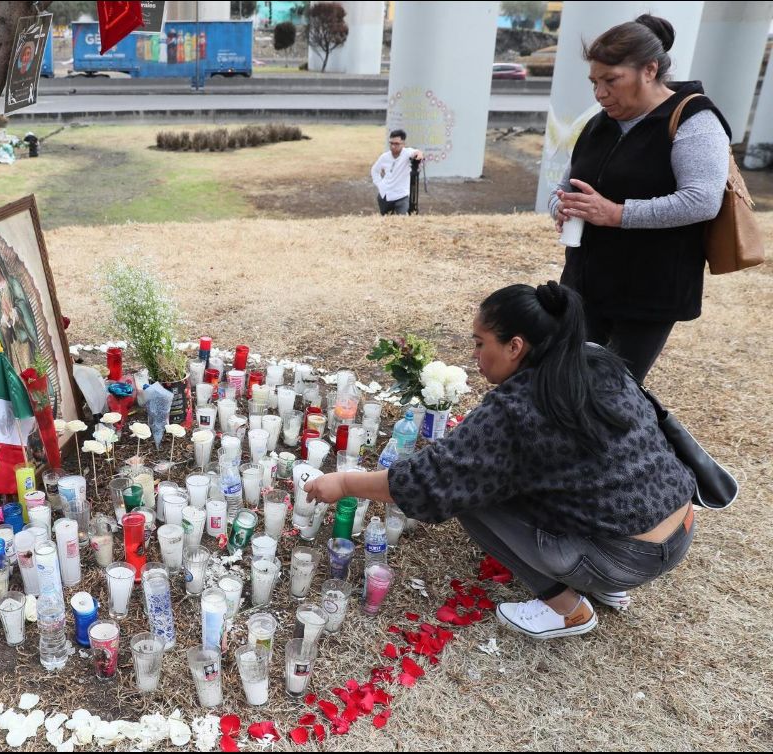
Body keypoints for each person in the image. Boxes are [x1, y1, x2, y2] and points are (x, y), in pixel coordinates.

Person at [305, 282, 696, 640]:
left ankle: (568, 609)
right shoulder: (592, 362)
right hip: (678, 527)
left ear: (515, 346)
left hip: (624, 556)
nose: (474, 356)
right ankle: (609, 585)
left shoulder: (517, 408)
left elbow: (430, 482)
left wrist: (343, 484)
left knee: (472, 498)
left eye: (480, 343)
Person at [550, 14, 731, 383]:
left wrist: (617, 214)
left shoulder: (693, 119)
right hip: (585, 282)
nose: (600, 93)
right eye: (595, 82)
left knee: (615, 393)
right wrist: (562, 206)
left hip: (649, 293)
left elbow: (702, 199)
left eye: (611, 81)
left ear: (649, 70)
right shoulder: (599, 122)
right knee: (565, 381)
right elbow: (567, 182)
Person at [0, 249, 41, 377]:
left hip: (22, 336)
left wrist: (16, 312)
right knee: (18, 373)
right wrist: (3, 322)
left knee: (28, 369)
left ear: (0, 266)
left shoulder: (13, 283)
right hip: (10, 343)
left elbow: (23, 304)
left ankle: (35, 396)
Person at [371, 129, 423, 215]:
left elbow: (417, 152)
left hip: (401, 196)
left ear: (403, 144)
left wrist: (419, 155)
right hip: (385, 196)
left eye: (396, 144)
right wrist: (380, 184)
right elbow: (374, 170)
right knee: (385, 223)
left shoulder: (407, 153)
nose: (393, 146)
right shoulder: (384, 157)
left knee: (401, 222)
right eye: (391, 143)